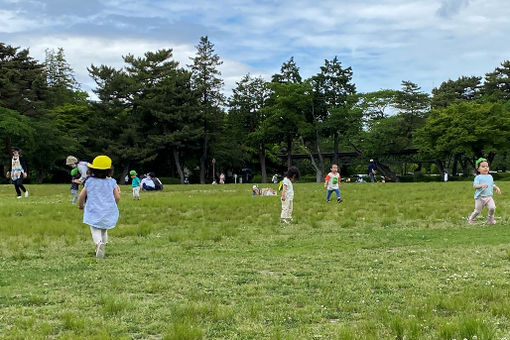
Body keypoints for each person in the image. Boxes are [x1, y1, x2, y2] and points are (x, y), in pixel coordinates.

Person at [78, 155, 120, 258]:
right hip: (108, 210)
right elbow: (117, 197)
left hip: (93, 209)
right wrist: (114, 205)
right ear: (109, 171)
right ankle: (103, 245)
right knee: (104, 229)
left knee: (95, 228)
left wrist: (81, 205)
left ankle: (98, 244)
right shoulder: (112, 182)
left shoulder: (89, 182)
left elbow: (81, 196)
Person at [467, 158, 502, 225]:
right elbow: (475, 186)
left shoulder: (490, 176)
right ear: (478, 169)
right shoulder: (478, 177)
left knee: (492, 207)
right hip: (480, 197)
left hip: (488, 197)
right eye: (483, 166)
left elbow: (492, 184)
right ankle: (471, 219)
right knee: (477, 211)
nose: (486, 168)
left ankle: (490, 217)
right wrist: (481, 185)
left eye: (487, 166)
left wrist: (496, 188)